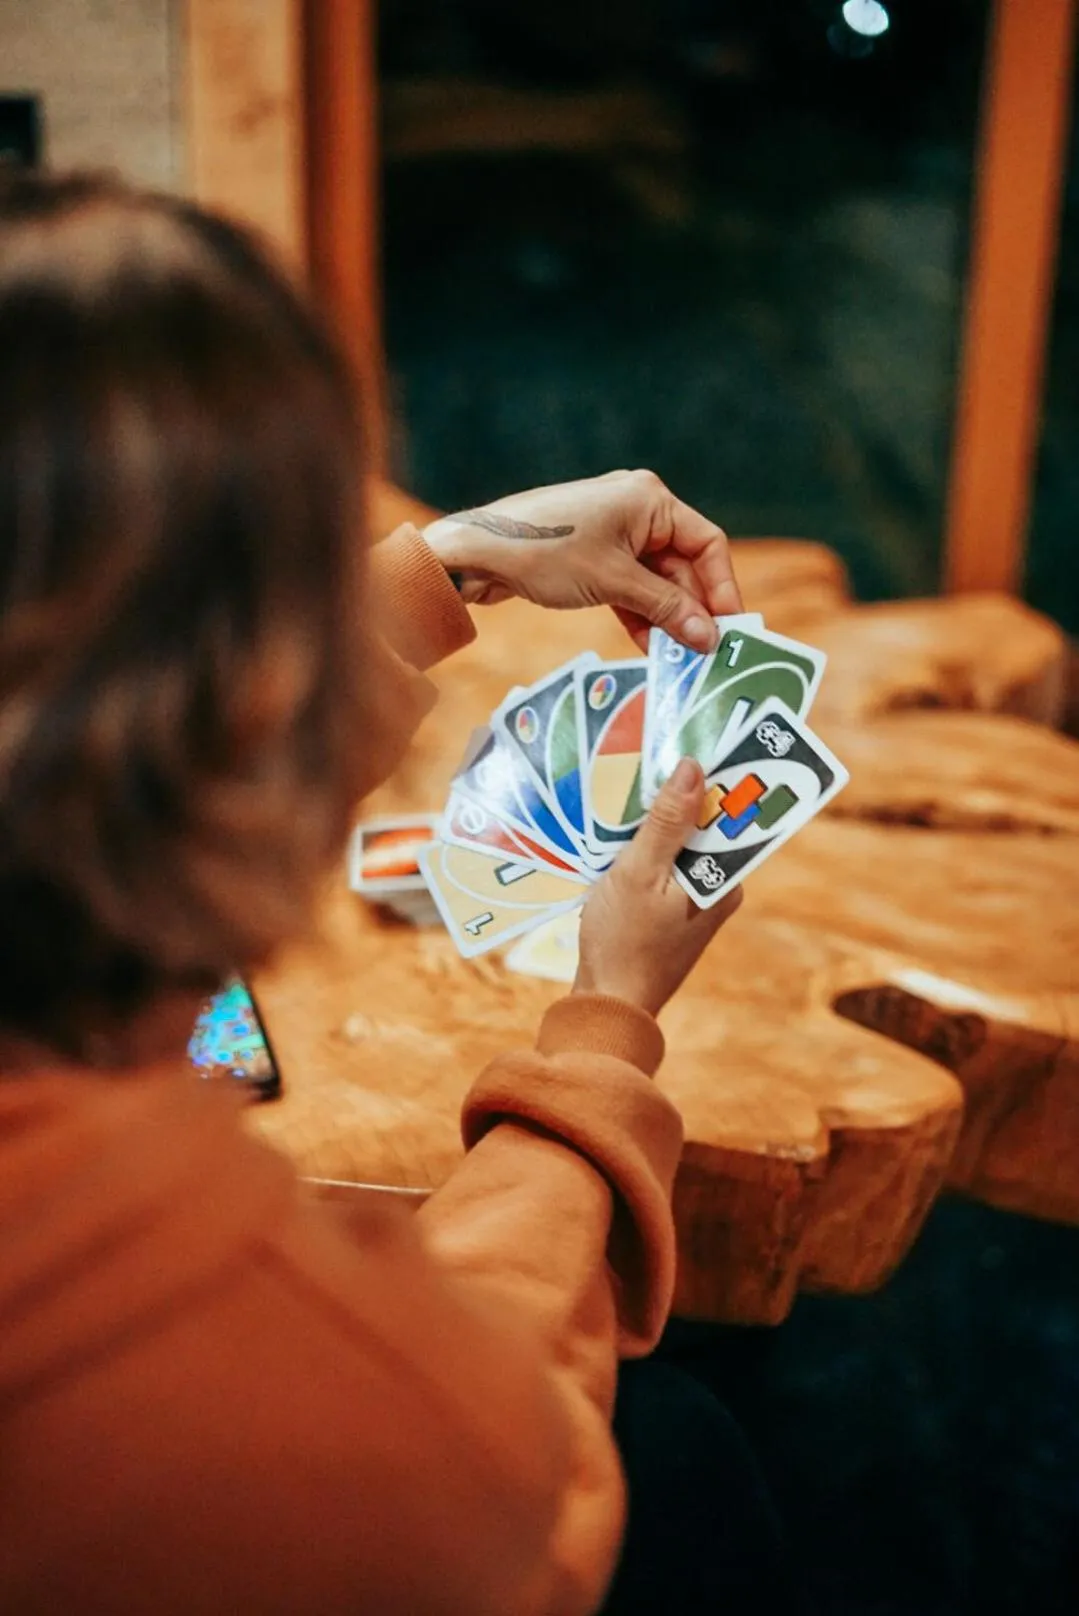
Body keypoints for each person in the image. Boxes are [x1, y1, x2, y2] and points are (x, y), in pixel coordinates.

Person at [0, 170, 759, 1615]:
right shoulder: (296, 1387)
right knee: (696, 1457)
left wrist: (455, 560)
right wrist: (604, 1026)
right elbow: (515, 1478)